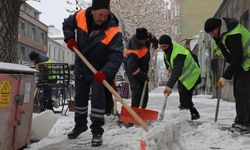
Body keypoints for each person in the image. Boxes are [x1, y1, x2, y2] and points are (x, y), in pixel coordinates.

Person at [62, 0, 124, 146]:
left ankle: (97, 131)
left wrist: (105, 72)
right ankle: (80, 125)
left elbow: (117, 56)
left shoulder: (113, 30)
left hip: (99, 71)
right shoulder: (80, 16)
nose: (103, 18)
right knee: (80, 99)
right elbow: (67, 24)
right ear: (92, 11)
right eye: (100, 14)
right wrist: (70, 37)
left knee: (97, 101)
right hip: (82, 67)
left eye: (106, 15)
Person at [204, 17, 250, 133]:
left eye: (211, 32)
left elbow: (237, 59)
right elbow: (230, 58)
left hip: (247, 64)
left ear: (217, 28)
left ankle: (242, 123)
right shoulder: (225, 33)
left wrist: (224, 76)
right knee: (240, 93)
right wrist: (219, 42)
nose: (210, 35)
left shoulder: (232, 35)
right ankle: (246, 122)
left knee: (242, 93)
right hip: (243, 65)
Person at [159, 35, 201, 120]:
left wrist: (169, 86)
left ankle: (183, 115)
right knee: (184, 95)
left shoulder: (179, 53)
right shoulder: (168, 50)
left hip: (192, 75)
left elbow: (177, 71)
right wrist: (168, 67)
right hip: (184, 76)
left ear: (169, 44)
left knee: (184, 96)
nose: (163, 49)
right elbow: (166, 58)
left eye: (165, 46)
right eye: (161, 47)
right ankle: (194, 114)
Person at [124, 28, 158, 109]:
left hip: (143, 64)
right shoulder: (132, 48)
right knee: (136, 90)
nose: (143, 42)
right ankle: (134, 112)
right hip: (132, 69)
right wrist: (143, 75)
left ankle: (142, 110)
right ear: (137, 38)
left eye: (144, 40)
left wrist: (155, 42)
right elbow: (133, 68)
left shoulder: (147, 36)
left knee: (144, 90)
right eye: (141, 40)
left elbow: (152, 37)